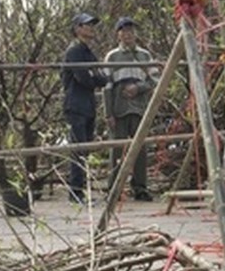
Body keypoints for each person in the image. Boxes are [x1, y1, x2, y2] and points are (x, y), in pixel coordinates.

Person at [103, 17, 158, 201]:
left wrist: (139, 88)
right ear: (118, 34)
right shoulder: (112, 57)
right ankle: (114, 188)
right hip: (119, 108)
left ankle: (140, 187)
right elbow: (107, 87)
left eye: (131, 31)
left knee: (141, 149)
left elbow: (155, 80)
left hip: (140, 107)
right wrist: (108, 113)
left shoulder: (145, 56)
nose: (128, 34)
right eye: (124, 31)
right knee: (117, 148)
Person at [61, 12, 110, 204]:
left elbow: (99, 75)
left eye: (92, 25)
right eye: (86, 25)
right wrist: (96, 79)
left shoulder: (88, 51)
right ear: (77, 29)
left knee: (85, 149)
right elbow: (85, 78)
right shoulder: (74, 51)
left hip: (88, 104)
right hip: (76, 104)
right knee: (78, 149)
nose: (91, 28)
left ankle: (81, 189)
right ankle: (75, 192)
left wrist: (97, 78)